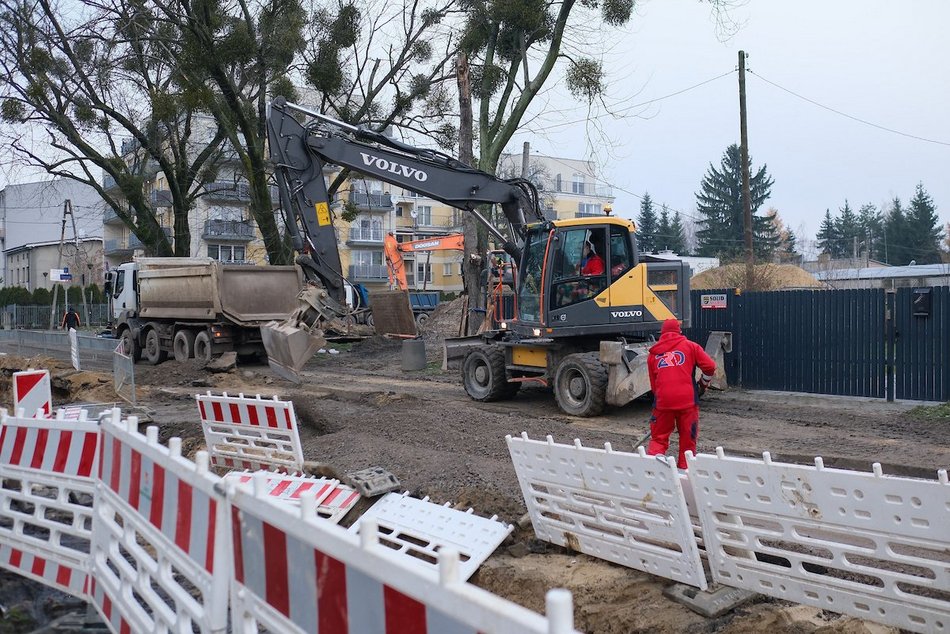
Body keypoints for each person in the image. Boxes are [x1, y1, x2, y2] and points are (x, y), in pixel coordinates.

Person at [646, 318, 716, 469]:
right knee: (688, 441)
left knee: (658, 439)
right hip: (688, 402)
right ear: (679, 332)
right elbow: (710, 366)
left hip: (663, 403)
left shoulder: (653, 354)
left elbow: (654, 385)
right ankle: (685, 472)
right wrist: (703, 383)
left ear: (662, 333)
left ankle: (654, 470)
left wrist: (662, 399)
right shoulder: (691, 346)